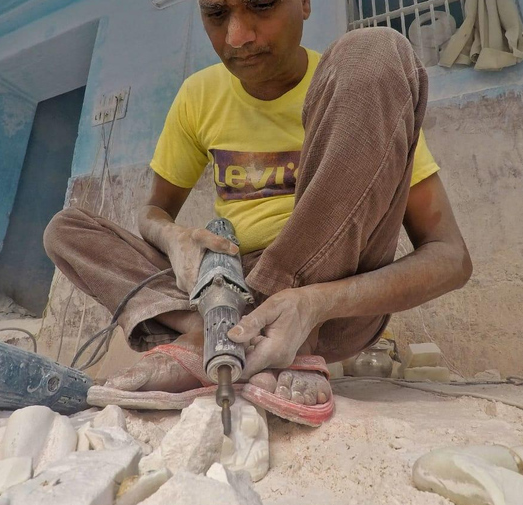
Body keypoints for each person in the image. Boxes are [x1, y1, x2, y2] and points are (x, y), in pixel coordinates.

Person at [44, 0, 472, 414]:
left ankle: (260, 338)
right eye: (215, 13)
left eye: (262, 5)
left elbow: (450, 258)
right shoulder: (199, 94)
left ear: (304, 3)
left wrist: (314, 303)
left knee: (375, 48)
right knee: (68, 230)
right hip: (227, 285)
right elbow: (152, 212)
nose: (237, 37)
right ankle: (217, 332)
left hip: (331, 306)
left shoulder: (356, 86)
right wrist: (173, 238)